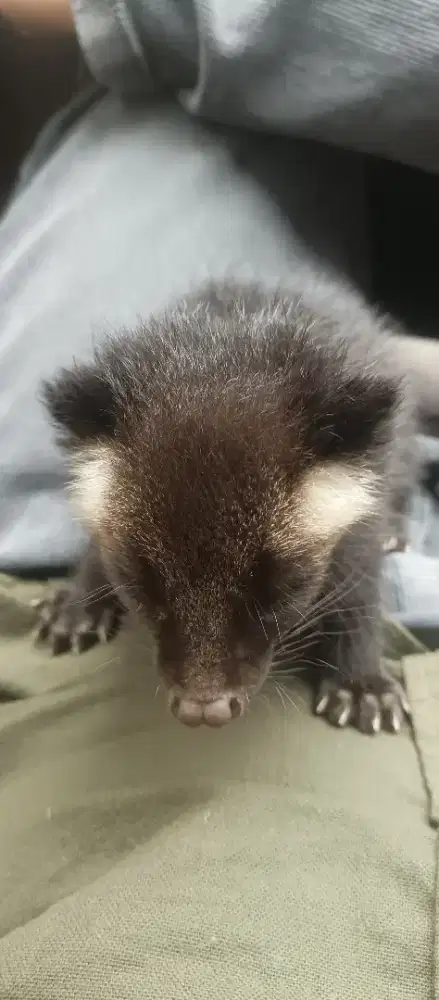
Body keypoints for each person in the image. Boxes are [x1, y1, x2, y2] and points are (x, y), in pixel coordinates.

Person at [0, 3, 439, 998]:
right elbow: (127, 513)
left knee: (151, 125)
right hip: (262, 379)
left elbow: (351, 541)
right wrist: (98, 586)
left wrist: (356, 666)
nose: (202, 693)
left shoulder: (346, 480)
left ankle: (166, 43)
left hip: (342, 404)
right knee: (159, 122)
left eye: (269, 588)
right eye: (143, 579)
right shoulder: (126, 479)